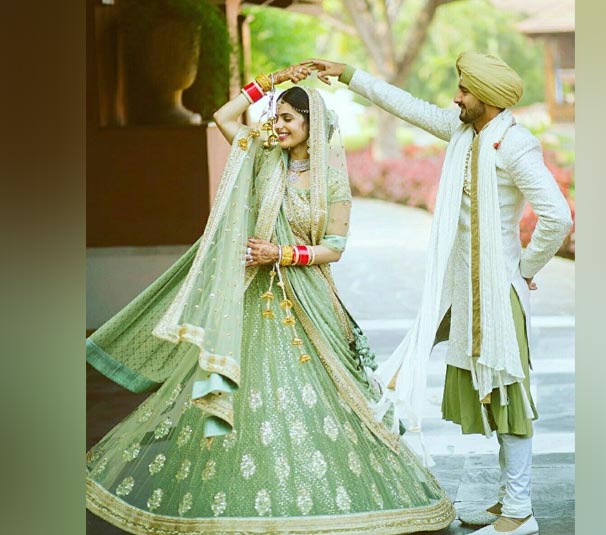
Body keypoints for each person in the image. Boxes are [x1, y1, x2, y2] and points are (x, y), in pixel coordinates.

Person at [85, 64, 455, 534]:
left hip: (308, 300)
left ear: (311, 127)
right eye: (275, 118)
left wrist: (282, 252)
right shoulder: (263, 156)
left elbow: (336, 250)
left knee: (322, 399)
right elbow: (223, 116)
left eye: (288, 120)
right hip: (252, 298)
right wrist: (273, 80)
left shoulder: (330, 182)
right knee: (243, 394)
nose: (277, 126)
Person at [303, 53, 573, 535]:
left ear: (487, 99)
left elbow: (557, 216)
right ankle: (509, 501)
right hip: (459, 290)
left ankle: (519, 514)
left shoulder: (515, 145)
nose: (456, 97)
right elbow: (404, 105)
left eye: (464, 91)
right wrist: (347, 74)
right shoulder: (463, 133)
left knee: (507, 395)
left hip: (496, 293)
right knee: (474, 390)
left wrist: (524, 268)